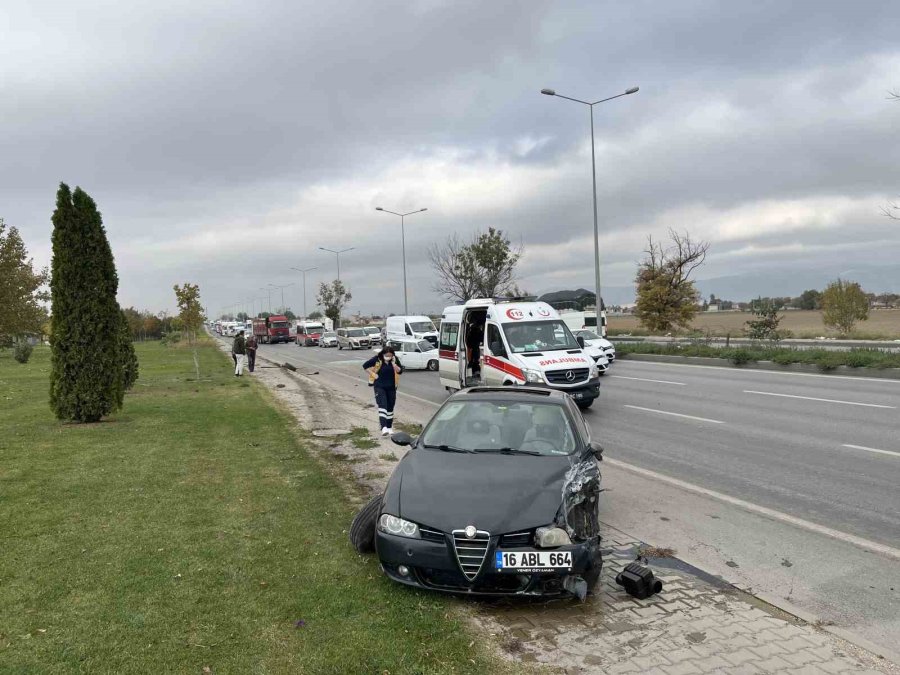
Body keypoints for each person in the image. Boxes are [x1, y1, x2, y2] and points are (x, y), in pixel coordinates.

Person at [362, 345, 403, 436]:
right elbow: (365, 366)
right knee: (383, 404)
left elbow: (400, 371)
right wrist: (373, 374)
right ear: (383, 354)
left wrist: (394, 365)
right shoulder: (377, 359)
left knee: (390, 407)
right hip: (379, 386)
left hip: (391, 387)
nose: (388, 357)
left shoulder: (394, 360)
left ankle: (389, 427)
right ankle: (383, 427)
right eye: (387, 355)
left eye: (390, 355)